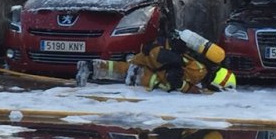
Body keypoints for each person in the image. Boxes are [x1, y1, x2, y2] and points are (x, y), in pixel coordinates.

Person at [76, 29, 237, 93]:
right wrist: (186, 88)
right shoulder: (200, 72)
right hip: (160, 57)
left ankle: (89, 66)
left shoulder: (203, 62)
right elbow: (174, 77)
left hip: (158, 49)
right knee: (146, 77)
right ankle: (133, 72)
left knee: (126, 66)